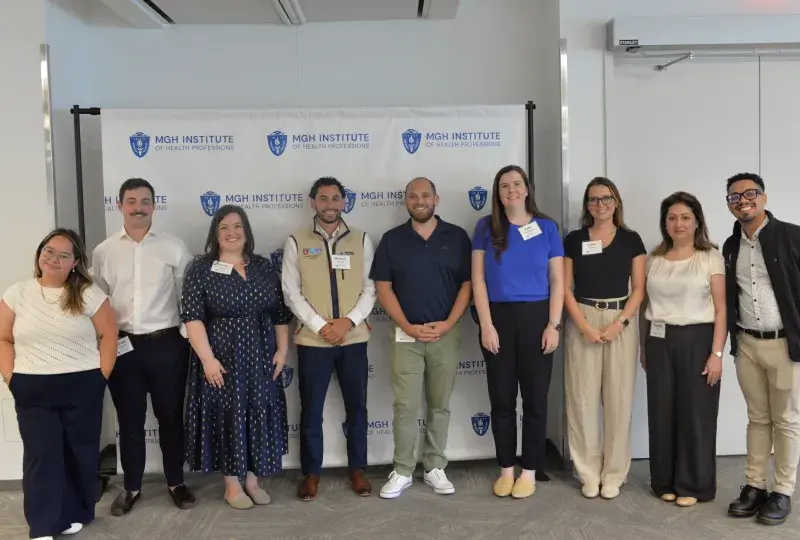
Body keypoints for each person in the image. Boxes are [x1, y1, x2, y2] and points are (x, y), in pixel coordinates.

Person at [0, 229, 117, 540]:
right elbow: (4, 338)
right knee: (42, 456)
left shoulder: (89, 293)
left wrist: (101, 375)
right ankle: (43, 525)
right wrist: (10, 377)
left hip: (82, 385)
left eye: (64, 255)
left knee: (79, 453)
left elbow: (109, 334)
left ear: (75, 262)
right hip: (32, 387)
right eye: (49, 251)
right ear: (40, 253)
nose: (54, 258)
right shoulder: (17, 293)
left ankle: (73, 515)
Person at [90, 177, 196, 515]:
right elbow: (99, 300)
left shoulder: (174, 247)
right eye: (131, 201)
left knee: (170, 418)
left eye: (145, 201)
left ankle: (176, 483)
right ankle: (132, 487)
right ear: (119, 205)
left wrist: (180, 337)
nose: (138, 208)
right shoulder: (104, 251)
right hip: (123, 350)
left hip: (167, 346)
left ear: (154, 205)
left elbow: (188, 297)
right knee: (129, 421)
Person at [181, 205, 291, 509]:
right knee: (229, 415)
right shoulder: (201, 269)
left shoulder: (263, 266)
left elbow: (279, 312)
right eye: (225, 227)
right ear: (215, 234)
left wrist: (282, 350)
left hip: (260, 355)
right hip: (223, 357)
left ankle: (252, 481)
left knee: (257, 411)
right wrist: (207, 359)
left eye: (238, 226)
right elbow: (193, 318)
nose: (232, 233)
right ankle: (232, 485)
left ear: (247, 230)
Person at [369, 177, 473, 499]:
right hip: (405, 335)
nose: (419, 200)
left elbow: (467, 285)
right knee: (406, 405)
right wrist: (410, 327)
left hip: (446, 333)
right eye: (413, 196)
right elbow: (383, 289)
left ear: (436, 199)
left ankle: (434, 467)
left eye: (425, 195)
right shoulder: (391, 240)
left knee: (439, 403)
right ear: (406, 202)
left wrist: (448, 323)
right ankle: (402, 470)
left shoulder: (456, 237)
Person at [281, 176, 377, 501]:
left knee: (358, 408)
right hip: (313, 341)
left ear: (344, 202)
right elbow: (291, 293)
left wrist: (348, 321)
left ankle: (358, 469)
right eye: (323, 199)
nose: (330, 205)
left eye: (336, 199)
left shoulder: (362, 239)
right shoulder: (296, 240)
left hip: (353, 338)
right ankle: (311, 473)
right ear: (313, 202)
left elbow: (371, 287)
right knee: (311, 410)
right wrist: (323, 326)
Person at [471, 164, 565, 499]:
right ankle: (507, 470)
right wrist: (486, 325)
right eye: (504, 185)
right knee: (502, 400)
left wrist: (554, 325)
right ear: (497, 193)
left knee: (536, 400)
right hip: (497, 319)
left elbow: (557, 280)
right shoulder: (485, 227)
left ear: (527, 189)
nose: (511, 190)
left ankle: (529, 471)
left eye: (516, 184)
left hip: (538, 318)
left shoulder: (548, 228)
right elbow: (478, 280)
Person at [639, 191, 726, 508]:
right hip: (659, 341)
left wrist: (716, 354)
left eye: (685, 217)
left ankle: (694, 483)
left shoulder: (710, 257)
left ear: (697, 221)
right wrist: (643, 347)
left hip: (698, 339)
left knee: (695, 413)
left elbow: (721, 310)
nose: (678, 223)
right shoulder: (654, 259)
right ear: (665, 222)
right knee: (661, 411)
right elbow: (644, 306)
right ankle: (664, 480)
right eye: (672, 217)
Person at [723, 173, 800, 526]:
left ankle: (782, 490)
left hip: (784, 344)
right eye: (734, 196)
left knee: (786, 420)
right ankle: (755, 485)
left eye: (749, 193)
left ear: (764, 198)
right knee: (757, 417)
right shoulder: (730, 245)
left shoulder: (792, 235)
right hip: (747, 344)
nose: (742, 200)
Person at [563, 177, 646, 500]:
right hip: (582, 318)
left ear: (616, 202)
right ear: (587, 205)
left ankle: (613, 474)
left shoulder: (631, 240)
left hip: (620, 320)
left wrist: (620, 322)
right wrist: (583, 325)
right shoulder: (574, 240)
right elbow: (565, 287)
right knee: (581, 400)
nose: (600, 205)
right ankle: (587, 472)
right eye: (594, 200)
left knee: (618, 400)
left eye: (606, 198)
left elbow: (638, 289)